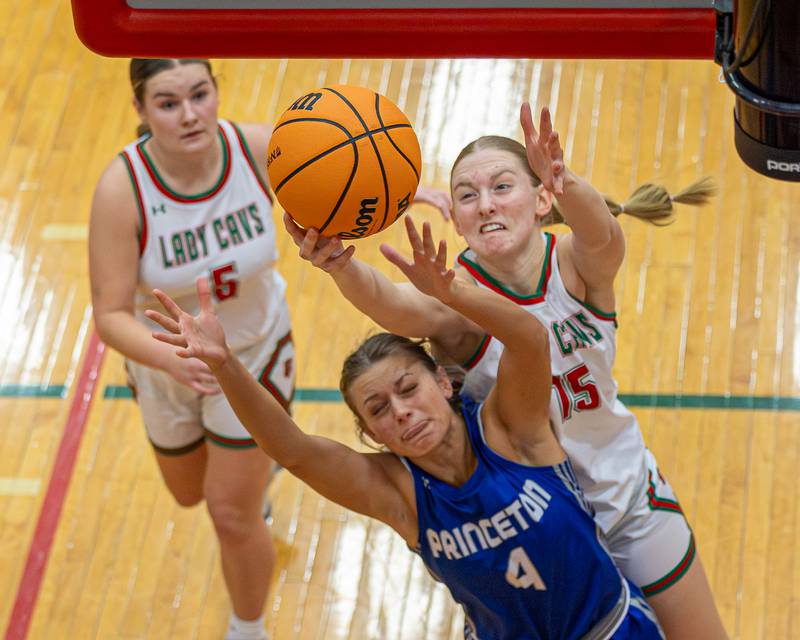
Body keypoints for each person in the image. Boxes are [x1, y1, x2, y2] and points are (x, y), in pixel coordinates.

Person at [283, 104, 727, 639]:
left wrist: (565, 179)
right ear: (456, 216)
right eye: (468, 195)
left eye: (501, 186)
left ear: (542, 199)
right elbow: (391, 306)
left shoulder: (574, 263)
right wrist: (341, 264)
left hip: (626, 498)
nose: (485, 203)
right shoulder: (452, 296)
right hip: (533, 522)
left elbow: (604, 236)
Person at [146, 217, 665, 639]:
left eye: (408, 388)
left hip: (614, 629)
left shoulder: (509, 431)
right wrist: (225, 364)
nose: (400, 411)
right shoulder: (399, 494)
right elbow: (293, 450)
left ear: (443, 382)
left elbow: (529, 337)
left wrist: (451, 293)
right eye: (378, 408)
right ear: (371, 433)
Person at [87, 58, 452, 640]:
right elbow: (109, 315)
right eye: (168, 103)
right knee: (188, 494)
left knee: (229, 513)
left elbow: (353, 167)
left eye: (201, 94)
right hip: (168, 362)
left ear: (216, 92)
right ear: (140, 109)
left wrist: (407, 187)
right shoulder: (122, 188)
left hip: (251, 357)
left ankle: (247, 628)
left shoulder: (257, 150)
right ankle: (252, 480)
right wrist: (172, 357)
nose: (190, 115)